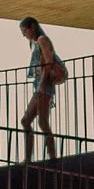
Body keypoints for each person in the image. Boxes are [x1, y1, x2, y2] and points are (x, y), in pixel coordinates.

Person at [18, 16, 63, 162]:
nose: (24, 35)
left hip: (44, 86)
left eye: (25, 31)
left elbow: (49, 61)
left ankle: (52, 157)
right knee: (26, 121)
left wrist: (43, 83)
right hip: (40, 85)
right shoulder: (35, 42)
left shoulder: (42, 39)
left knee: (41, 122)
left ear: (32, 27)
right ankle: (29, 158)